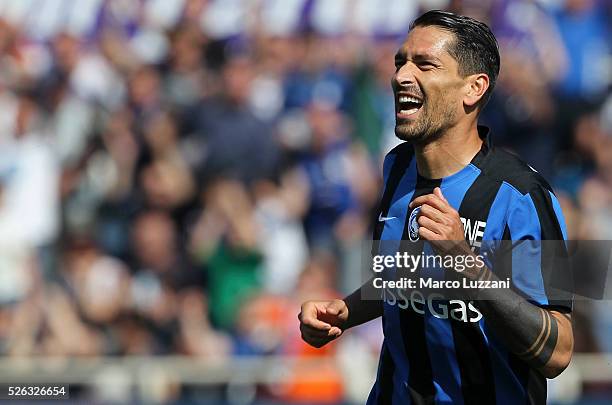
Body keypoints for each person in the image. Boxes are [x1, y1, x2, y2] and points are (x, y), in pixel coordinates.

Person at [298, 10, 574, 405]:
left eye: (424, 64)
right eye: (400, 62)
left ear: (473, 89)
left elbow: (558, 351)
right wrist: (345, 311)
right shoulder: (397, 168)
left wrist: (465, 262)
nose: (401, 76)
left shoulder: (523, 195)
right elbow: (406, 277)